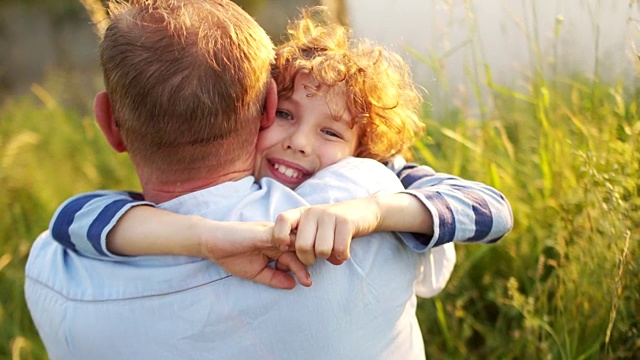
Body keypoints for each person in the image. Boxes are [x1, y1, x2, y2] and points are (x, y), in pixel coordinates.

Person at [24, 1, 512, 359]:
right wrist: (207, 238)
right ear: (264, 111)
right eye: (287, 116)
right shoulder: (364, 183)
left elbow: (493, 209)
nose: (300, 142)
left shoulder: (51, 265)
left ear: (108, 123)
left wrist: (373, 211)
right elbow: (75, 216)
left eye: (329, 131)